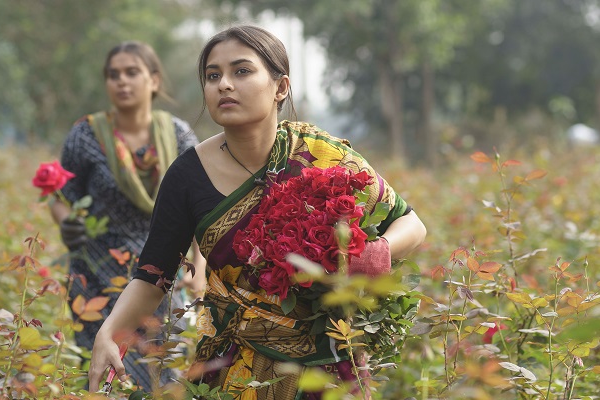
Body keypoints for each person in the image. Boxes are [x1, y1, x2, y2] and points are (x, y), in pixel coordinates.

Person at [88, 26, 426, 399]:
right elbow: (153, 275)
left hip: (328, 367)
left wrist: (371, 256)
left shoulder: (319, 154)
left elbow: (410, 224)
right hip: (235, 368)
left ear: (281, 87)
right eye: (213, 76)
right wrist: (109, 333)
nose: (224, 85)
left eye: (241, 71)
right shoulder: (187, 175)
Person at [50, 41, 206, 392]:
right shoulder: (86, 135)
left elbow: (196, 206)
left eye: (132, 73)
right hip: (95, 274)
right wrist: (66, 222)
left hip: (161, 273)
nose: (122, 81)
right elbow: (60, 197)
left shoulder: (178, 135)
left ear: (153, 80)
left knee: (162, 372)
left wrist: (200, 267)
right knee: (101, 373)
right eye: (113, 75)